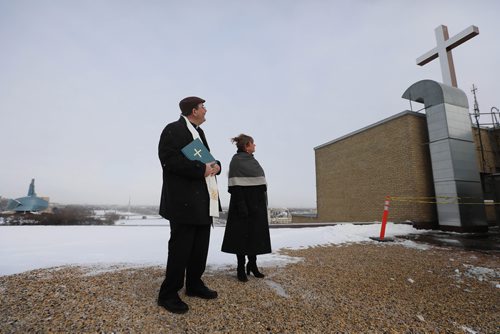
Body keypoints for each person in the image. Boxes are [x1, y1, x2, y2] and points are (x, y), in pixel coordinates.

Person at [157, 96, 221, 314]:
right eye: (203, 107)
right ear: (193, 111)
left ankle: (194, 284)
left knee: (199, 248)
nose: (205, 109)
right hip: (183, 202)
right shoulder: (173, 129)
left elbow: (207, 160)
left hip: (203, 201)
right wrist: (200, 170)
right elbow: (169, 160)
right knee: (180, 249)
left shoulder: (198, 133)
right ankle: (168, 294)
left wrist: (216, 166)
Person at [221, 134, 271, 282]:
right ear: (247, 145)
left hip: (257, 204)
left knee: (254, 235)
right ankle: (240, 268)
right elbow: (235, 185)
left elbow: (260, 183)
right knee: (241, 237)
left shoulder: (253, 160)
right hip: (241, 204)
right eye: (253, 144)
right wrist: (242, 205)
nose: (255, 146)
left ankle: (252, 265)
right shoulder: (236, 161)